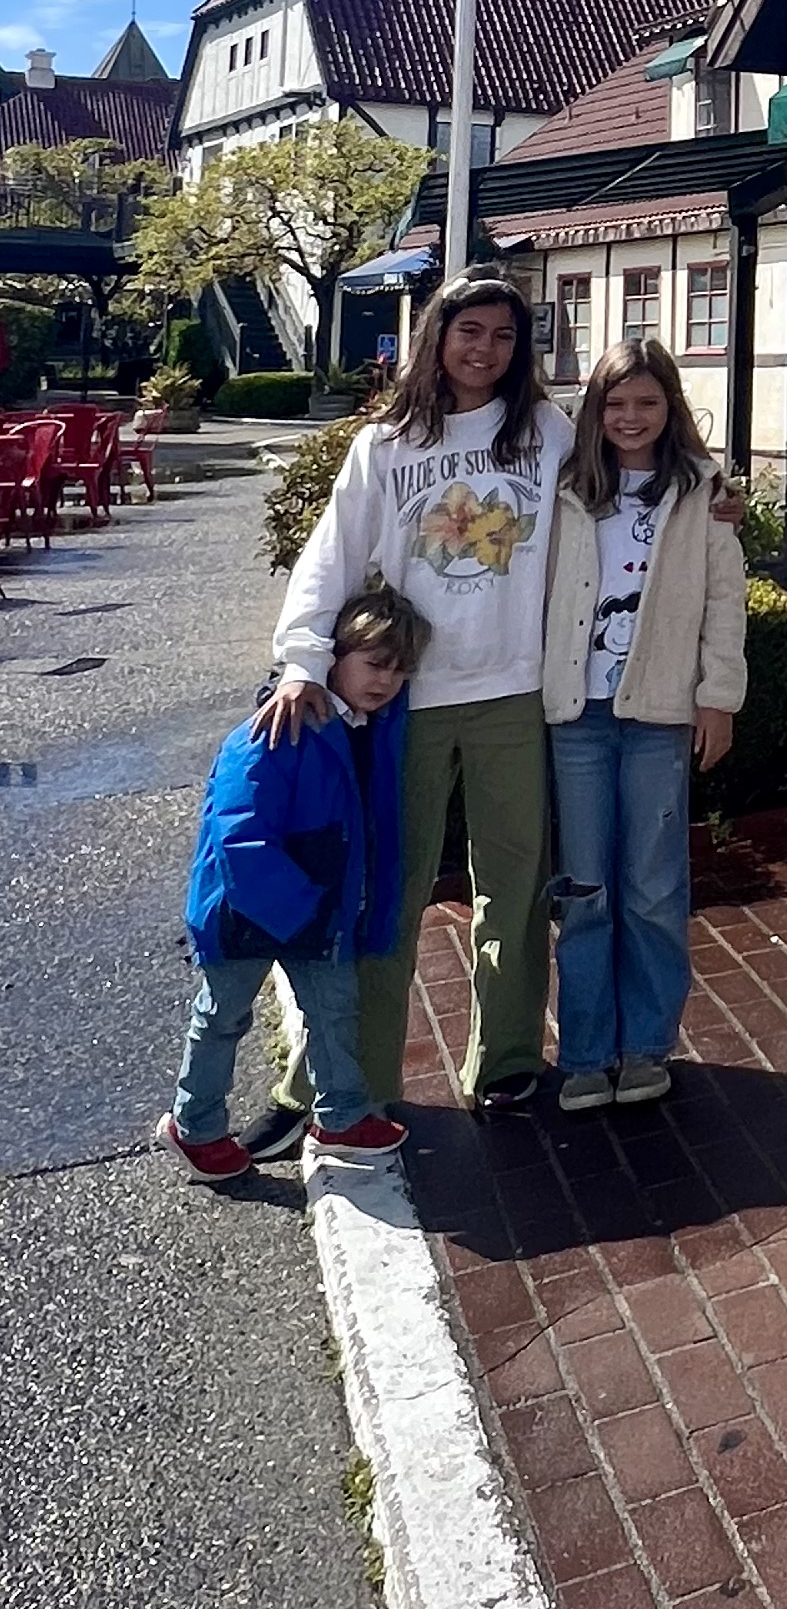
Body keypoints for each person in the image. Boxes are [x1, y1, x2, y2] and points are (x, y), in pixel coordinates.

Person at [257, 273, 571, 1122]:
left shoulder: (543, 429)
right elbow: (330, 555)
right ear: (437, 335)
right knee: (387, 891)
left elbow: (620, 491)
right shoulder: (387, 443)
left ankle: (506, 1058)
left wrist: (705, 498)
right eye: (470, 331)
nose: (485, 349)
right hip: (408, 698)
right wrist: (302, 659)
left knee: (516, 881)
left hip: (513, 688)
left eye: (504, 336)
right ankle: (344, 1082)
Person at [541, 337, 747, 1111]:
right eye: (615, 403)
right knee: (586, 888)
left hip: (659, 713)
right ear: (594, 411)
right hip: (577, 715)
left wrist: (718, 694)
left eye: (647, 403)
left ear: (671, 410)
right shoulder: (563, 489)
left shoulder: (699, 490)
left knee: (653, 888)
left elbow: (725, 603)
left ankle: (646, 1044)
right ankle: (588, 1049)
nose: (630, 417)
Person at [159, 580, 425, 1178]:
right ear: (332, 655)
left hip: (317, 907)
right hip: (247, 910)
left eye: (401, 671)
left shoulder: (365, 728)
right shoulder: (272, 728)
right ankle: (193, 1123)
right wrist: (300, 908)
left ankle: (342, 1114)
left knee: (335, 1010)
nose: (387, 680)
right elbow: (238, 833)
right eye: (375, 663)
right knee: (222, 1015)